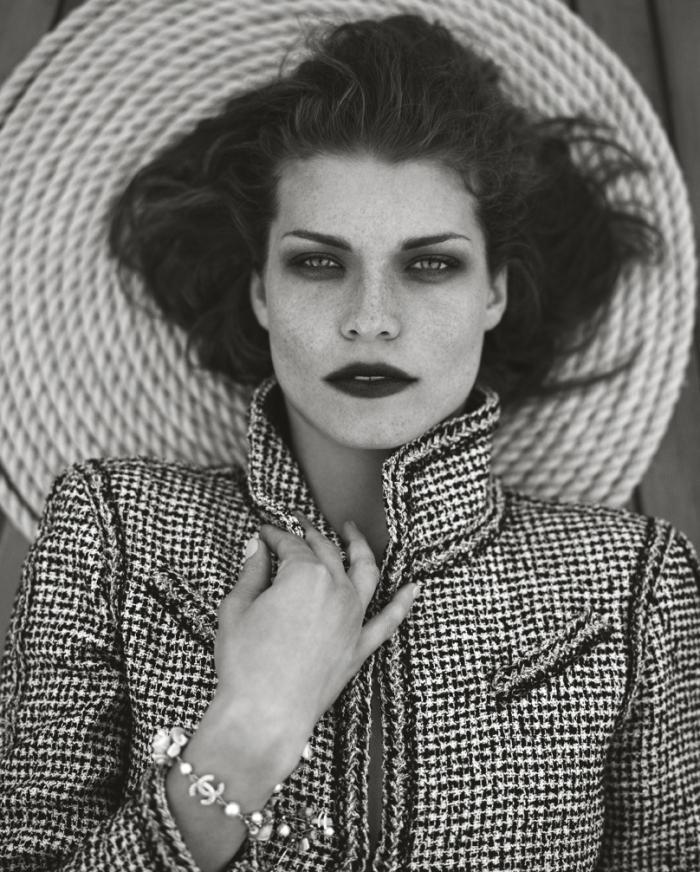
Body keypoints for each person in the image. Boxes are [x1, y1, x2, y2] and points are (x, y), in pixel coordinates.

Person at [1, 12, 699, 872]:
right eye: (319, 263)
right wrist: (249, 731)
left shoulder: (631, 587)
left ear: (494, 293)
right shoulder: (112, 533)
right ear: (261, 291)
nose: (371, 319)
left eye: (430, 264)